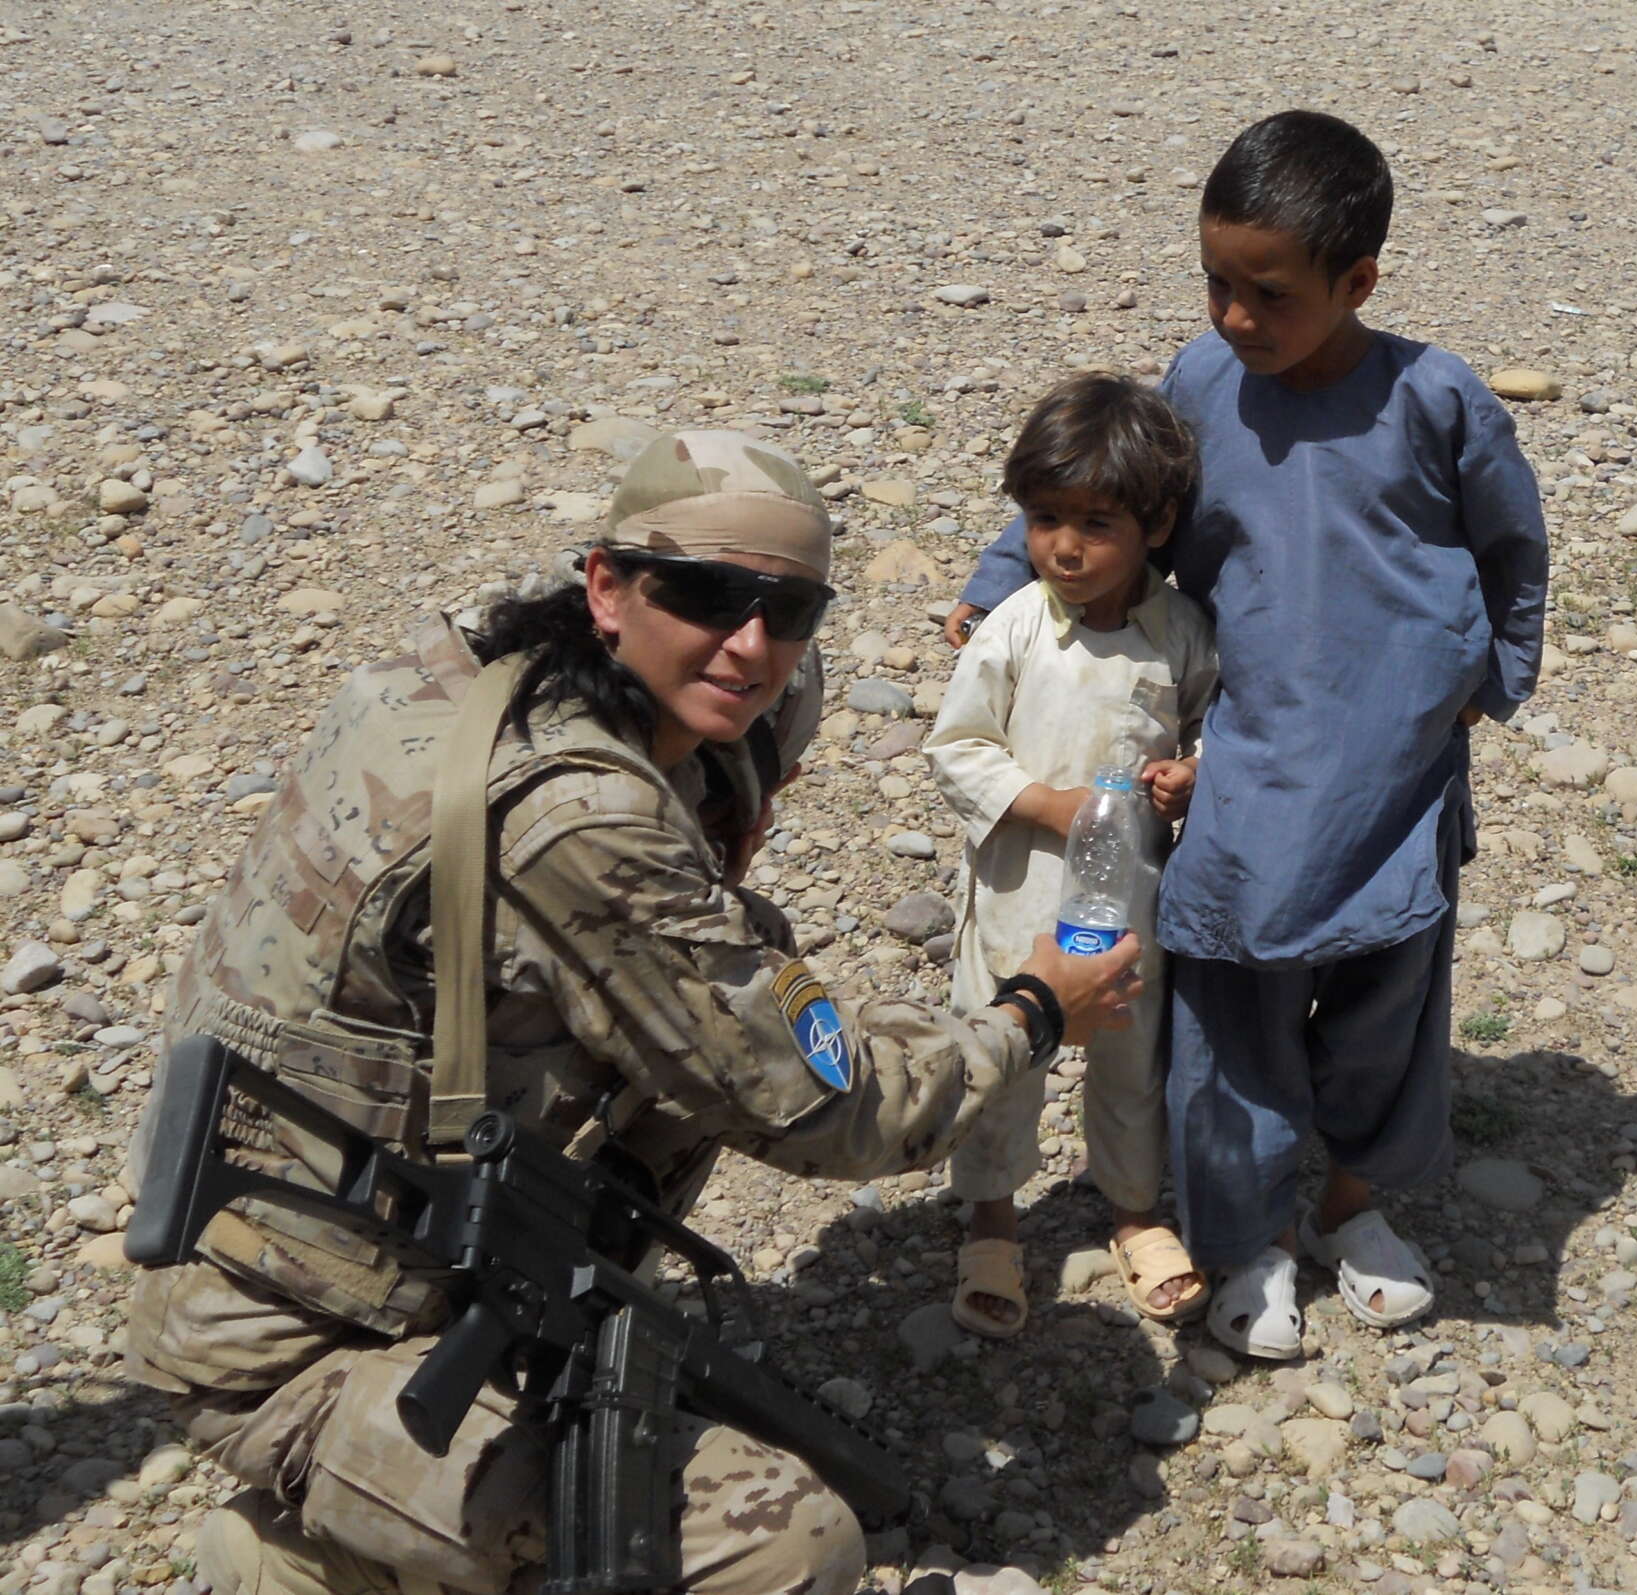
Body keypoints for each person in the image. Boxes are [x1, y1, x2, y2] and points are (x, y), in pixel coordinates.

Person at [123, 429, 1143, 1595]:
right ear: (607, 585)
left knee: (739, 961)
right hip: (293, 1343)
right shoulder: (582, 819)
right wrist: (1030, 1012)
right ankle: (298, 1564)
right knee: (790, 1545)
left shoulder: (472, 683)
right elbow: (832, 1112)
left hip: (314, 1233)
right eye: (708, 593)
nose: (751, 643)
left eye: (790, 607)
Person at [941, 111, 1549, 1360]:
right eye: (1215, 282)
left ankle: (1350, 1205)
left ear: (1358, 282)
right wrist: (1010, 562)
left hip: (1395, 763)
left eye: (1267, 293)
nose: (1233, 317)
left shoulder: (1435, 400)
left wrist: (1495, 674)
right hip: (1245, 757)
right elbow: (1123, 479)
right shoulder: (1203, 381)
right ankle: (1250, 1235)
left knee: (1390, 996)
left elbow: (1511, 546)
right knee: (1233, 999)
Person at [923, 374, 1218, 1339]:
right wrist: (1046, 804)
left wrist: (1188, 774)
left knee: (1130, 1061)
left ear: (1157, 523)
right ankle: (993, 1218)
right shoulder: (1013, 625)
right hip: (1016, 899)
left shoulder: (1178, 632)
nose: (1063, 546)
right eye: (1045, 518)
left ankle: (1133, 1207)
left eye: (1095, 523)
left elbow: (1211, 725)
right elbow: (957, 744)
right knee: (1004, 1057)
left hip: (1127, 906)